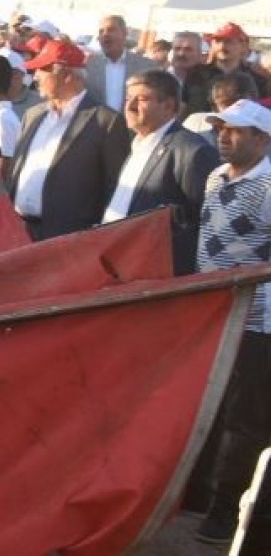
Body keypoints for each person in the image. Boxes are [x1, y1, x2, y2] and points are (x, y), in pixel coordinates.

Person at [191, 99, 271, 545]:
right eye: (220, 126)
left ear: (263, 139)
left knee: (245, 421)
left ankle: (227, 510)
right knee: (212, 407)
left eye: (236, 130)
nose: (224, 135)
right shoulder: (213, 178)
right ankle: (202, 495)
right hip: (213, 316)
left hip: (258, 322)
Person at [7, 39, 132, 241]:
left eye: (42, 69)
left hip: (66, 239)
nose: (35, 76)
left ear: (65, 75)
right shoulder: (33, 115)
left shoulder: (105, 122)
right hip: (18, 231)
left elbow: (114, 187)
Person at [99, 70, 217, 276]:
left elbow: (203, 222)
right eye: (128, 99)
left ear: (169, 105)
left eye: (142, 99)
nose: (130, 106)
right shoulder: (138, 145)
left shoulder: (191, 151)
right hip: (120, 267)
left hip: (157, 275)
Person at [85, 14, 157, 112]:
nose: (105, 34)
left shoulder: (146, 66)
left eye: (111, 30)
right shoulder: (89, 66)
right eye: (101, 31)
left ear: (124, 33)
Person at [171, 31, 212, 116]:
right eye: (177, 48)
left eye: (188, 50)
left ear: (200, 54)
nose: (181, 54)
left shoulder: (210, 82)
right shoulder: (159, 78)